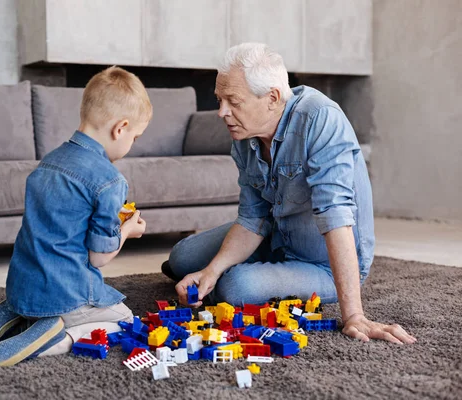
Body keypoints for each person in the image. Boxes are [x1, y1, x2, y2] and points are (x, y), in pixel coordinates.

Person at [163, 43, 416, 345]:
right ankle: (235, 273)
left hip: (321, 262)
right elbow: (252, 217)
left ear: (271, 98)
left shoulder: (321, 119)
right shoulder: (245, 135)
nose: (222, 112)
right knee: (182, 258)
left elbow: (335, 217)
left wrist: (353, 316)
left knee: (236, 287)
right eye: (220, 100)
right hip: (276, 236)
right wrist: (211, 270)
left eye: (233, 101)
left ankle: (250, 277)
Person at [0, 66, 152, 366]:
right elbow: (99, 258)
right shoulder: (110, 181)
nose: (132, 144)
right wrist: (126, 231)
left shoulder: (48, 162)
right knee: (125, 319)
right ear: (120, 128)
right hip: (66, 293)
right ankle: (55, 336)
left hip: (22, 284)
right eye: (135, 137)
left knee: (45, 277)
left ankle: (20, 310)